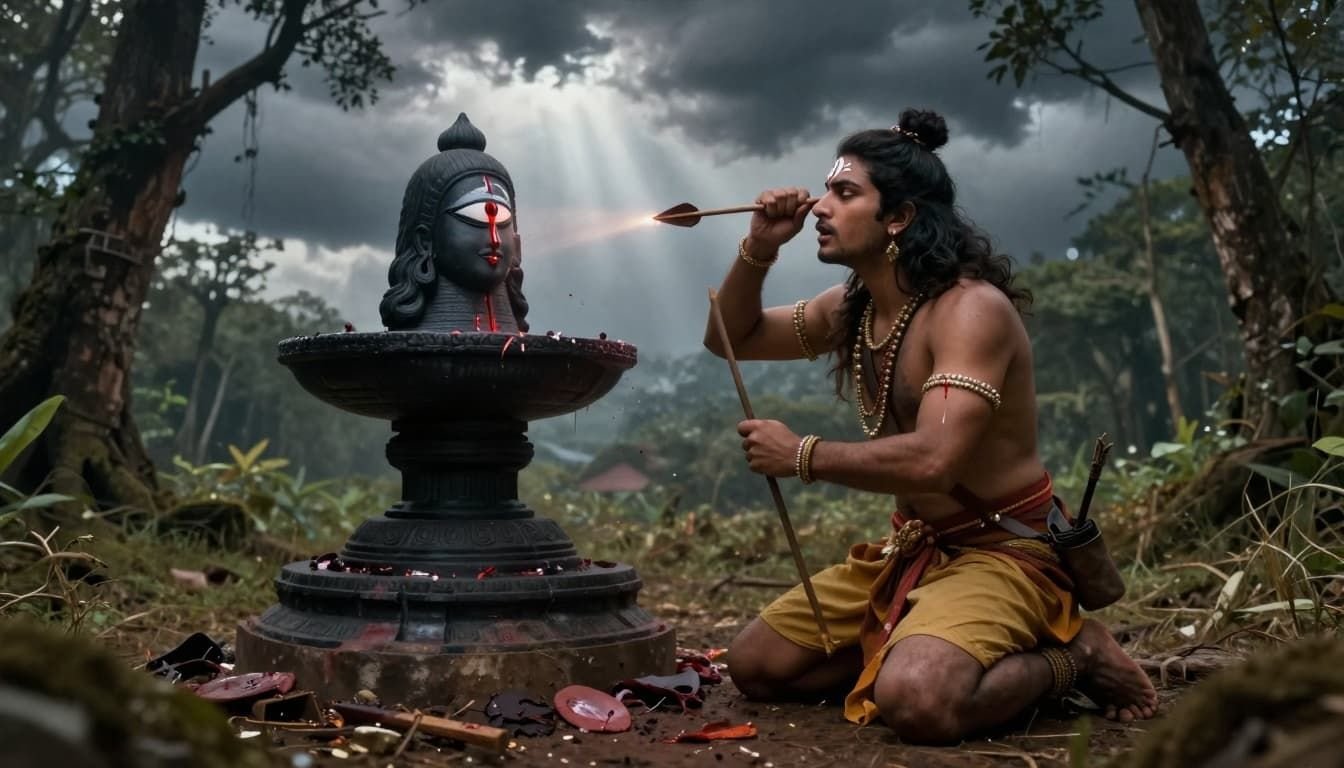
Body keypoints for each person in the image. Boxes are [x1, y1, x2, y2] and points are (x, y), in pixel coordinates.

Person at [703, 108, 1157, 744]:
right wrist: (759, 247)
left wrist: (800, 453)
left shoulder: (969, 311)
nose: (819, 208)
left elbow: (935, 461)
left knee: (917, 701)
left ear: (899, 218)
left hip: (1004, 554)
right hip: (919, 548)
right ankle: (928, 642)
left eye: (844, 192)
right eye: (826, 190)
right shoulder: (854, 307)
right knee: (758, 666)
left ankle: (1074, 654)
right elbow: (732, 337)